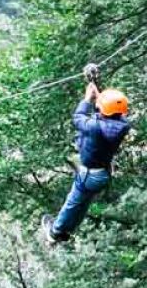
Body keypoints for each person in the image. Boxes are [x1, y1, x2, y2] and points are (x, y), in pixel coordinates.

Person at [42, 82, 131, 243]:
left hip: (90, 175)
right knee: (83, 203)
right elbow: (110, 112)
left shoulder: (94, 127)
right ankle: (68, 231)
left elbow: (78, 118)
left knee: (73, 202)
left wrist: (86, 99)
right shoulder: (123, 125)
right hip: (102, 174)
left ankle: (55, 232)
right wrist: (99, 95)